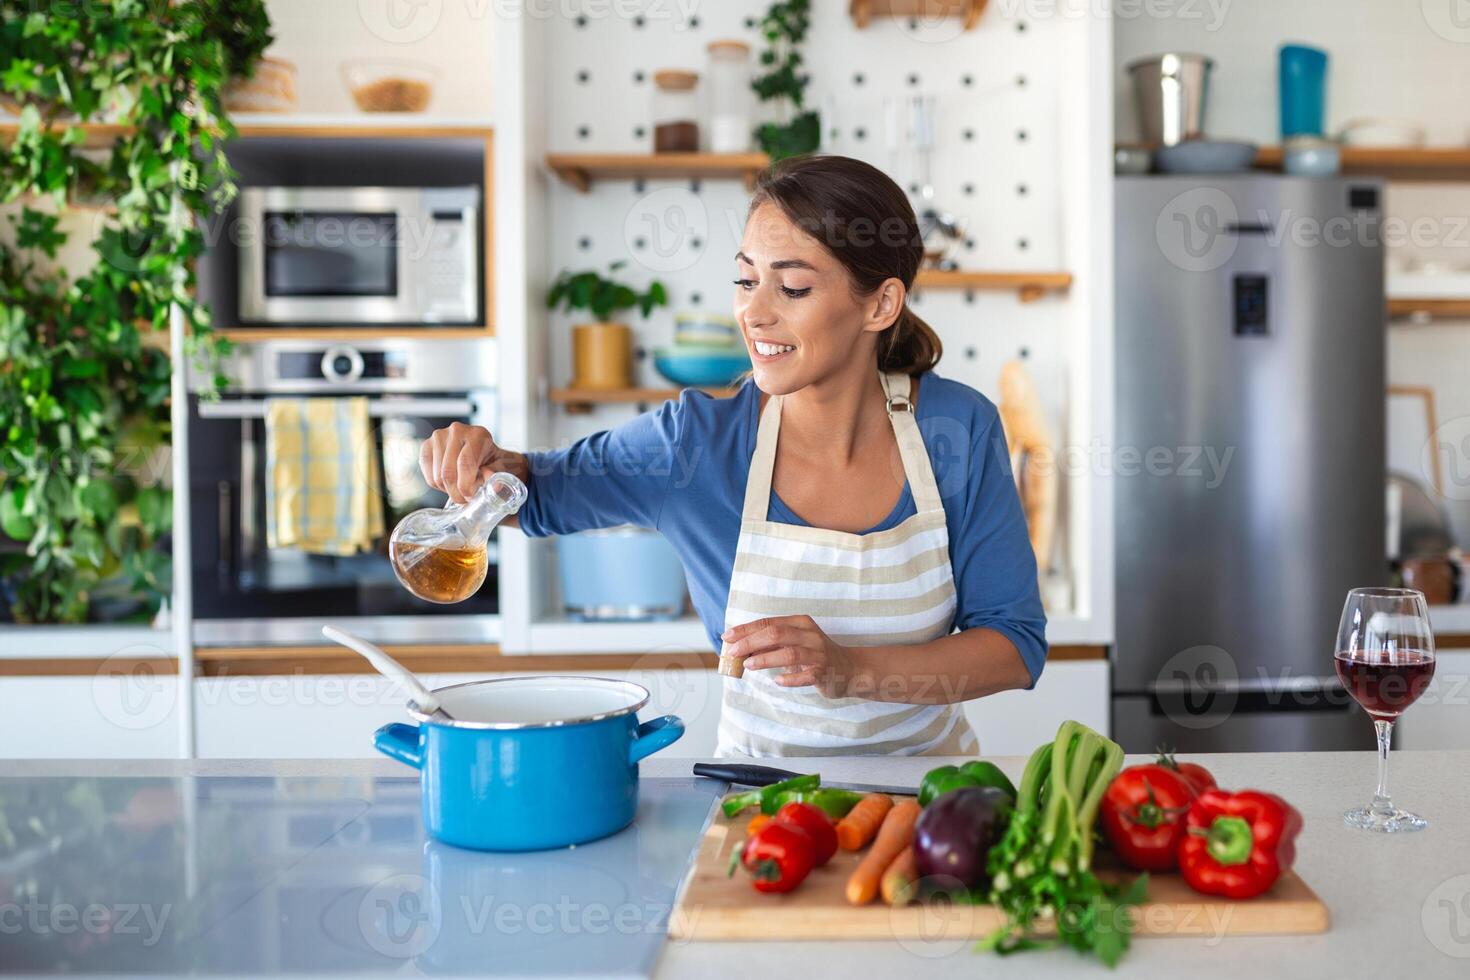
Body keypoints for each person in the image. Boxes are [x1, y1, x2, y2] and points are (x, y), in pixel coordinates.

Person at [420, 154, 1046, 756]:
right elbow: (536, 492)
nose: (754, 312)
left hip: (928, 806)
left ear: (880, 304)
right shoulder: (694, 443)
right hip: (757, 807)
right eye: (746, 281)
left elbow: (1013, 647)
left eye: (792, 287)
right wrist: (480, 463)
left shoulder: (957, 428)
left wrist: (851, 670)